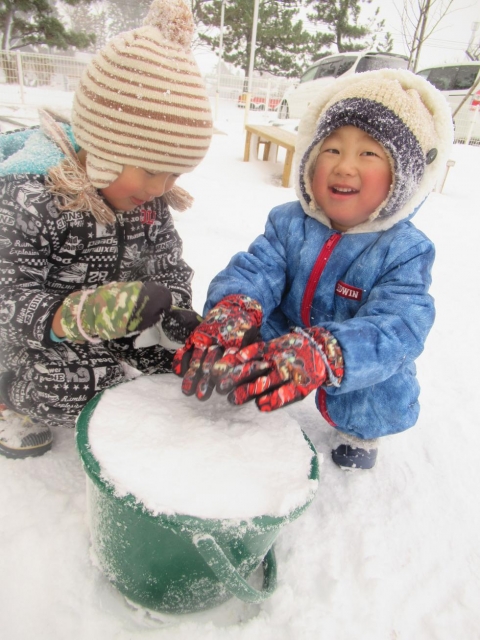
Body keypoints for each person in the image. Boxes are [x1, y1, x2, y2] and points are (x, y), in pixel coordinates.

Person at [173, 68, 453, 470]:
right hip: (288, 333)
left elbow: (400, 325)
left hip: (353, 356)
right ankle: (251, 383)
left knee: (375, 389)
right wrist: (235, 306)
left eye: (369, 153)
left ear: (402, 178)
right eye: (333, 149)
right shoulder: (289, 223)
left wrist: (330, 351)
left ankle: (359, 431)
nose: (344, 167)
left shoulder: (404, 250)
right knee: (244, 338)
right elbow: (258, 269)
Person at [0, 0, 212, 459]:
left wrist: (176, 311)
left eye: (174, 175)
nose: (160, 188)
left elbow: (168, 262)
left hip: (114, 320)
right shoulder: (31, 197)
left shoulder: (147, 201)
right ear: (106, 142)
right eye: (152, 169)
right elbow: (9, 298)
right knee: (80, 387)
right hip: (36, 336)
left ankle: (112, 362)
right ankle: (8, 398)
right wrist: (80, 316)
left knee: (174, 363)